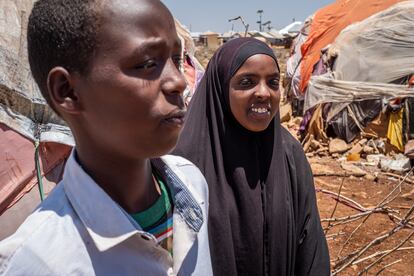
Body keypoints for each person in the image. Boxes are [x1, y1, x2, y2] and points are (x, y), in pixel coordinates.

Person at [0, 0, 212, 275]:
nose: (179, 81)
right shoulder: (36, 261)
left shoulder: (192, 186)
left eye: (174, 59)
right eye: (149, 63)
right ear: (68, 91)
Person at [173, 38, 330, 276]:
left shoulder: (289, 155)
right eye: (247, 82)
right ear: (221, 87)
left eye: (273, 82)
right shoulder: (183, 162)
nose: (264, 93)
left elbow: (310, 248)